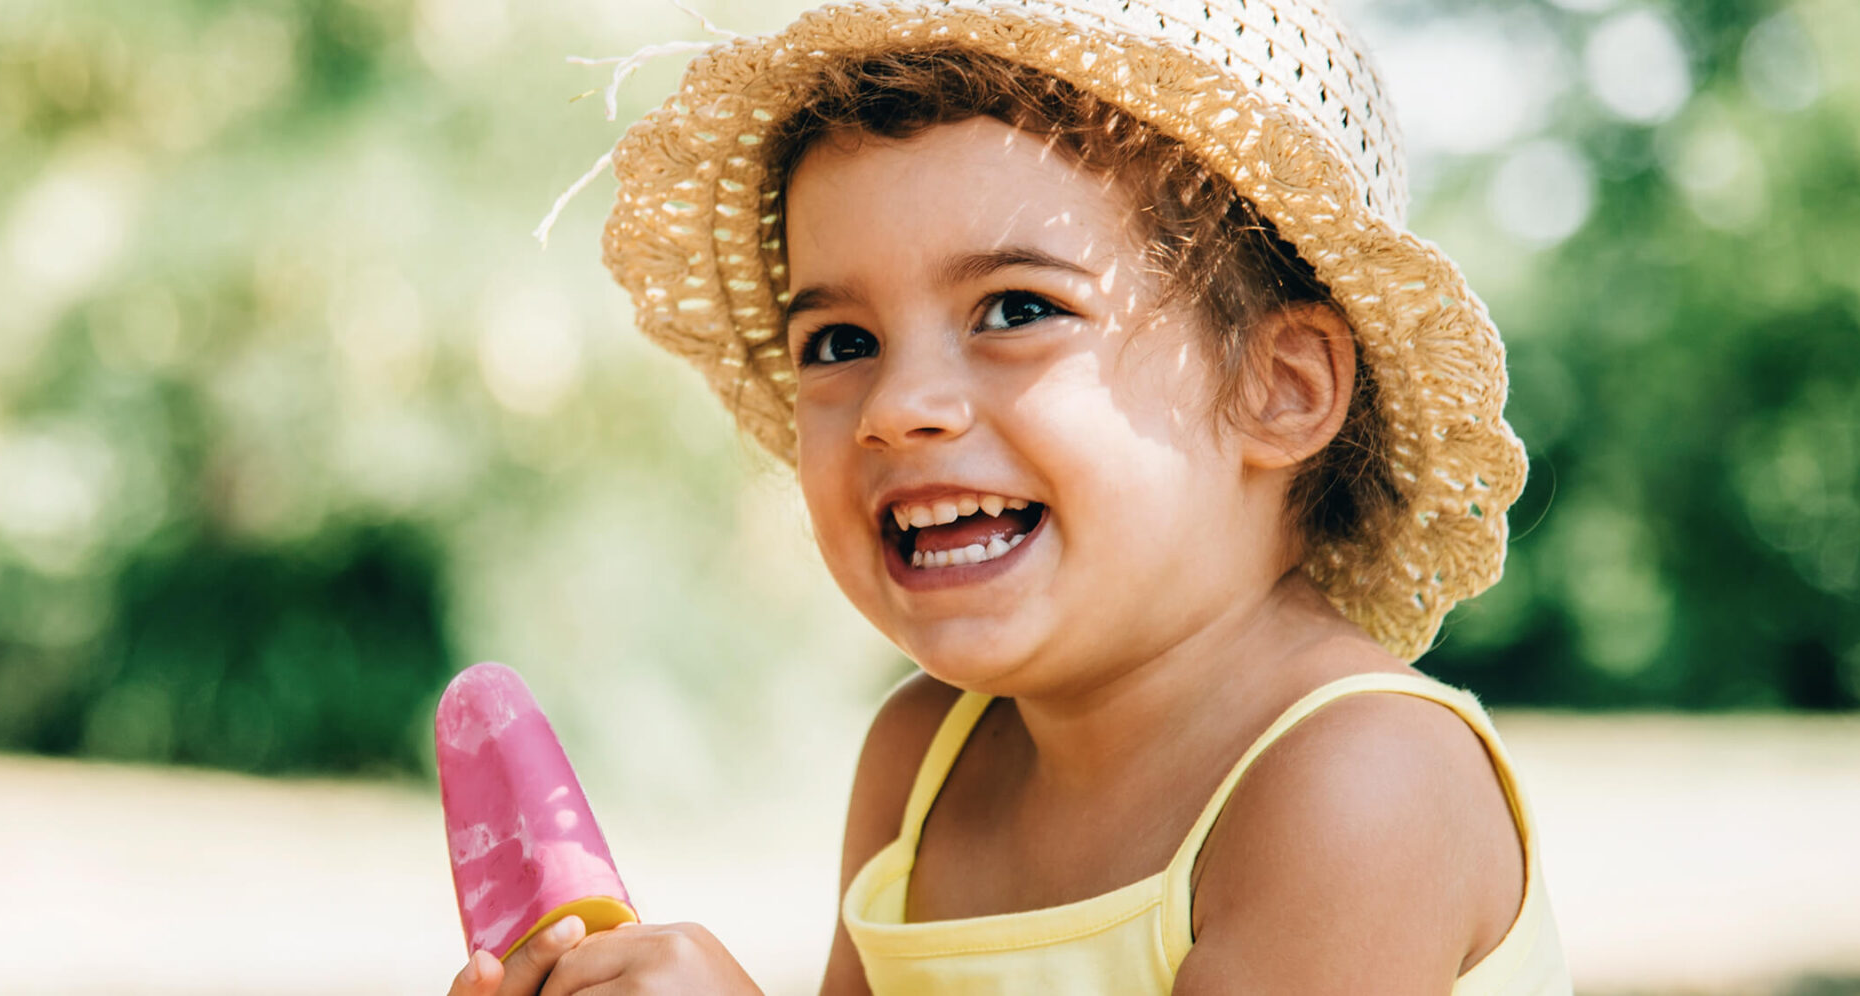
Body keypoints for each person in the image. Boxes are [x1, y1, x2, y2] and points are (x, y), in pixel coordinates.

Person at [454, 0, 1570, 991]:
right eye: (840, 340)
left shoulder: (1355, 782)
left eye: (1015, 309)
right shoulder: (922, 762)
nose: (899, 406)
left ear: (1279, 389)